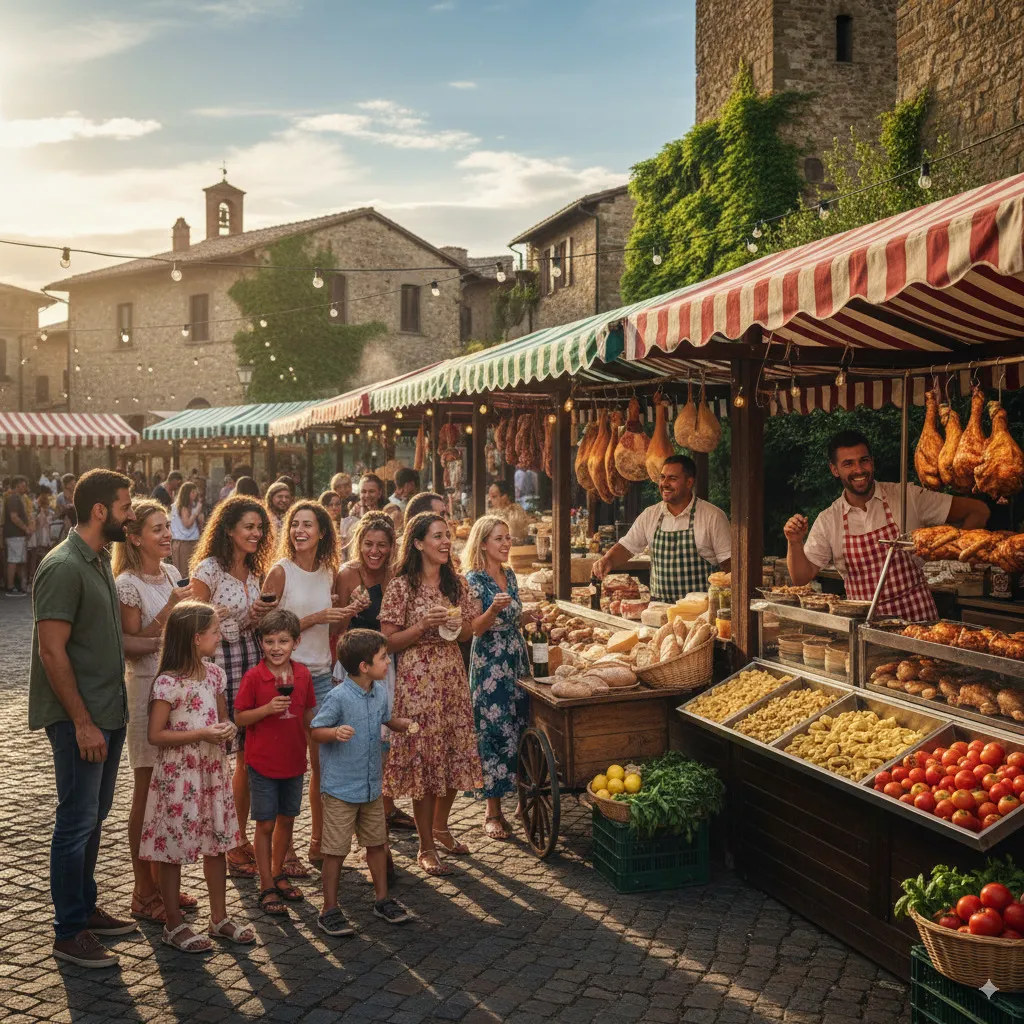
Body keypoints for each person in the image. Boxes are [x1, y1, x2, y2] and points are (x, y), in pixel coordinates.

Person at [31, 469, 138, 968]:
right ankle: (68, 931)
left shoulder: (96, 559)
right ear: (100, 511)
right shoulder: (63, 565)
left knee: (93, 819)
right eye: (125, 504)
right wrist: (81, 721)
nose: (131, 512)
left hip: (108, 712)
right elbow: (52, 653)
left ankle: (84, 907)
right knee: (76, 822)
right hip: (83, 719)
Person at [140, 601, 255, 952]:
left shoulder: (215, 674)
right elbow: (156, 735)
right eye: (215, 631)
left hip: (211, 772)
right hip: (179, 776)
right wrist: (201, 734)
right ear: (195, 638)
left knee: (216, 843)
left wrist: (225, 729)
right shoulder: (167, 683)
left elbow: (222, 719)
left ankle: (218, 917)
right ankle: (173, 922)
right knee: (172, 847)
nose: (220, 636)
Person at [784, 430, 990, 620]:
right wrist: (794, 542)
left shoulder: (907, 497)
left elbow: (979, 511)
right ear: (834, 470)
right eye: (848, 464)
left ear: (872, 462)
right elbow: (801, 578)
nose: (858, 470)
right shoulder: (828, 520)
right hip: (866, 627)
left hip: (917, 621)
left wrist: (952, 552)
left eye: (863, 461)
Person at [379, 512, 484, 876]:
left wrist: (459, 625)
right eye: (437, 536)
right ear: (419, 542)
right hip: (417, 679)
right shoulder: (401, 586)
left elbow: (471, 632)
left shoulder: (456, 584)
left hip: (452, 677)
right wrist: (423, 625)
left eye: (448, 536)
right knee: (425, 761)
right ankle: (425, 845)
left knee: (453, 756)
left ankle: (441, 827)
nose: (445, 542)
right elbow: (388, 641)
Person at [113, 498, 201, 923]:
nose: (167, 535)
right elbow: (129, 645)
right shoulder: (126, 584)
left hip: (175, 688)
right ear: (134, 537)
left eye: (168, 527)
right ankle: (142, 889)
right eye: (157, 529)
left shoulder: (168, 572)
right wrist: (169, 611)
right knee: (146, 792)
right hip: (145, 689)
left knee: (169, 792)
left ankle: (167, 884)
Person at [189, 495, 276, 880]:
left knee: (245, 754)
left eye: (260, 527)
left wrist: (255, 617)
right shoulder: (209, 569)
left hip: (249, 659)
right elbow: (190, 622)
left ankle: (236, 838)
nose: (256, 533)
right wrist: (226, 617)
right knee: (216, 756)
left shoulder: (254, 572)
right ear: (228, 529)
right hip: (216, 664)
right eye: (249, 527)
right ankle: (216, 838)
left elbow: (244, 625)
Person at [261, 501, 347, 868]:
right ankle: (287, 849)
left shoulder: (329, 573)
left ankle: (318, 842)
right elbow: (268, 629)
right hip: (287, 678)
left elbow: (334, 629)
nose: (299, 530)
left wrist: (345, 614)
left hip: (323, 676)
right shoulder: (280, 572)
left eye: (307, 524)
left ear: (322, 532)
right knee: (290, 765)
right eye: (294, 524)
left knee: (322, 764)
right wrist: (315, 617)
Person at [311, 629, 415, 935]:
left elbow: (384, 718)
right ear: (363, 667)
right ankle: (329, 908)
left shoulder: (379, 692)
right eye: (383, 658)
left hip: (371, 786)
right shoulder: (338, 697)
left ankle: (382, 899)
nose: (388, 663)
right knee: (335, 851)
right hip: (341, 789)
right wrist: (334, 733)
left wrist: (400, 725)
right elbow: (317, 729)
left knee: (377, 844)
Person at [334, 512, 416, 837]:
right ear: (359, 543)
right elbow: (336, 629)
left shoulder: (396, 575)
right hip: (352, 667)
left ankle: (386, 807)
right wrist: (350, 610)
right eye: (368, 543)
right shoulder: (346, 574)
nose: (375, 551)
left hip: (385, 666)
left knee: (386, 741)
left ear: (391, 546)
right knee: (357, 740)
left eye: (382, 545)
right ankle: (357, 814)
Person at [234, 609, 317, 917]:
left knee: (287, 820)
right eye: (270, 641)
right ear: (261, 643)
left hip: (294, 760)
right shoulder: (254, 677)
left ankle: (279, 872)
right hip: (262, 762)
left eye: (283, 640)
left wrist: (324, 735)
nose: (276, 647)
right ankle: (266, 884)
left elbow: (309, 714)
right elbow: (240, 717)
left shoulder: (303, 674)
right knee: (265, 823)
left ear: (296, 642)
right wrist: (267, 709)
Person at [464, 515, 532, 840]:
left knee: (520, 724)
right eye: (499, 538)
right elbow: (474, 628)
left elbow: (514, 615)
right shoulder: (473, 580)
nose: (506, 543)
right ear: (483, 544)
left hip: (516, 658)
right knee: (493, 731)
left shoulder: (511, 575)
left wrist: (529, 615)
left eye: (508, 538)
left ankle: (523, 797)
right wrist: (492, 610)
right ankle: (492, 812)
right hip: (490, 663)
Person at [594, 454, 732, 602]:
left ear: (689, 482)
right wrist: (608, 559)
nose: (664, 483)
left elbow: (729, 565)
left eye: (672, 478)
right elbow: (627, 546)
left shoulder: (712, 516)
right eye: (662, 477)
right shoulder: (650, 515)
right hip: (659, 612)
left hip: (700, 613)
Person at [170, 481, 203, 579]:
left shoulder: (184, 505)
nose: (195, 494)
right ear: (186, 493)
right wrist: (196, 512)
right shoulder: (183, 507)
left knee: (186, 572)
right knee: (185, 574)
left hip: (184, 541)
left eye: (195, 492)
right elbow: (187, 524)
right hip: (185, 542)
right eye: (192, 492)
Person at [5, 474, 31, 596]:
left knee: (19, 560)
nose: (24, 488)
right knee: (13, 561)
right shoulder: (13, 499)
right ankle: (10, 587)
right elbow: (14, 517)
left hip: (18, 535)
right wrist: (25, 528)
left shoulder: (16, 498)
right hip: (14, 535)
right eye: (23, 485)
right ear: (17, 486)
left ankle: (22, 586)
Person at [29, 488, 55, 582]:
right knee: (37, 556)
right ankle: (34, 576)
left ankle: (35, 576)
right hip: (39, 535)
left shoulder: (49, 511)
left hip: (41, 536)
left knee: (37, 556)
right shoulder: (37, 509)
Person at [55, 473, 77, 540]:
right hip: (64, 517)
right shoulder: (60, 497)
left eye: (74, 483)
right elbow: (57, 513)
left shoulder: (77, 495)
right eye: (72, 484)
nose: (74, 485)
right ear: (66, 485)